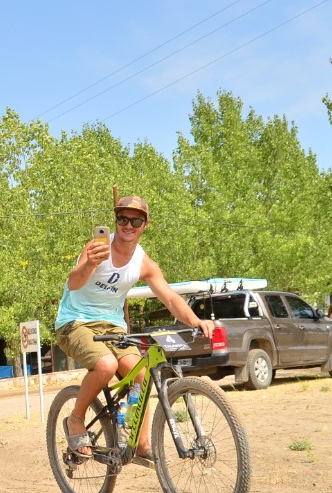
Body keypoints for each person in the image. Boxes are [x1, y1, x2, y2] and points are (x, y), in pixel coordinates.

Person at [54, 195, 215, 464]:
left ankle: (140, 443)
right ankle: (76, 419)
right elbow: (73, 283)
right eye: (123, 219)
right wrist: (90, 264)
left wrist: (195, 321)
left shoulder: (144, 263)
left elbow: (170, 298)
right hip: (75, 321)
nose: (128, 225)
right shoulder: (97, 248)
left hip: (113, 326)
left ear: (145, 225)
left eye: (136, 221)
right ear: (116, 221)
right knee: (105, 365)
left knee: (141, 374)